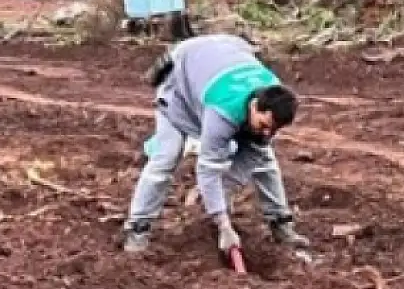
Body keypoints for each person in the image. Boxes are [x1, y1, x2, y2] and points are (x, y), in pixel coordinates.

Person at [122, 33, 312, 256]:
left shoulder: (275, 98)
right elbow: (208, 167)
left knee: (265, 160)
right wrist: (223, 223)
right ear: (255, 106)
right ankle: (138, 228)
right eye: (264, 125)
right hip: (181, 87)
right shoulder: (222, 112)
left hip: (225, 51)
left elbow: (252, 156)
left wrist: (223, 191)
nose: (268, 133)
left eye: (274, 129)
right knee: (167, 155)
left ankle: (281, 223)